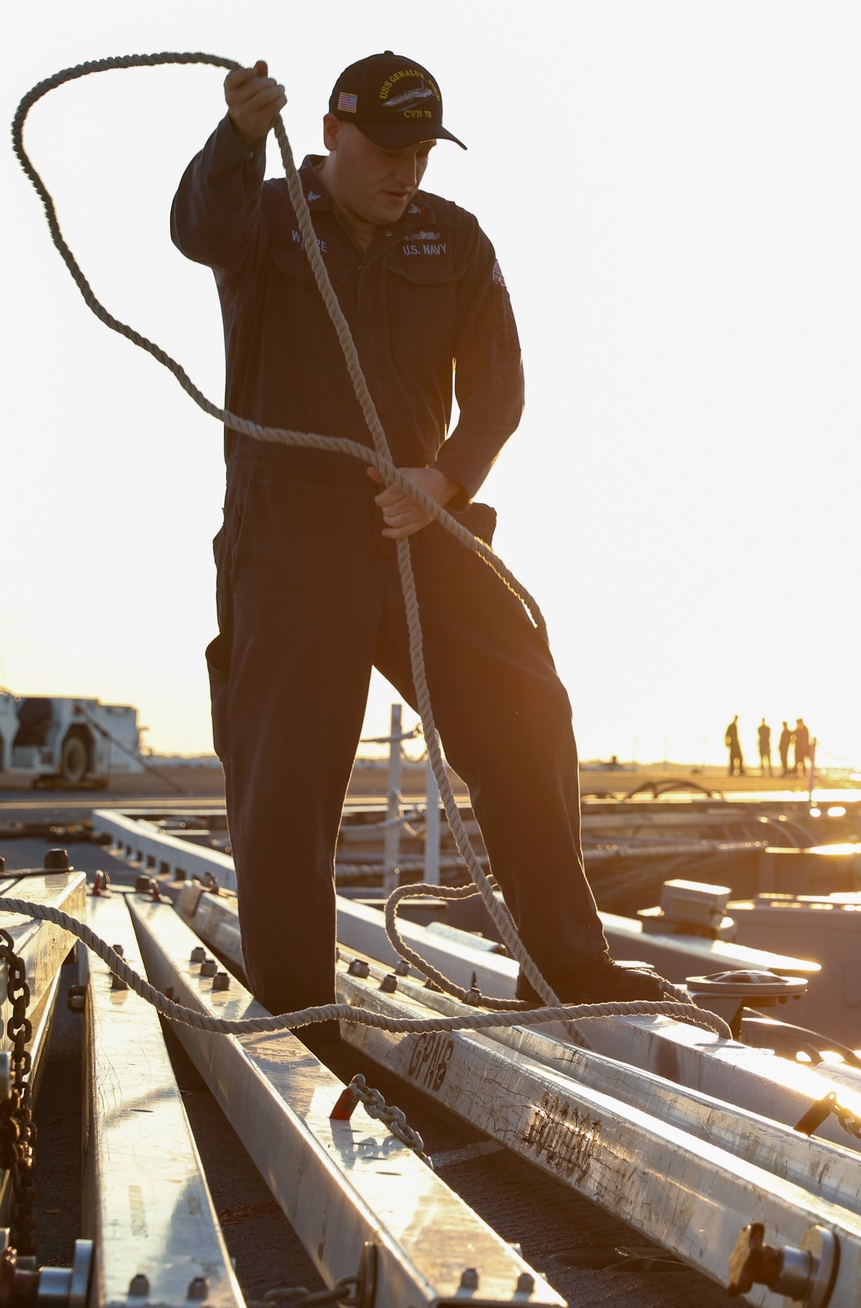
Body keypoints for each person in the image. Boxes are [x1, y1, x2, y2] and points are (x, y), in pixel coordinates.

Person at [171, 51, 669, 1023]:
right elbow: (198, 229)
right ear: (330, 132)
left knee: (527, 702)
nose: (407, 171)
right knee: (287, 778)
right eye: (389, 149)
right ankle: (298, 1008)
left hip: (421, 521)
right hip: (290, 535)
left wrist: (441, 479)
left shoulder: (455, 239)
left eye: (423, 152)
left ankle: (563, 964)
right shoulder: (264, 217)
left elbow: (499, 385)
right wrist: (233, 137)